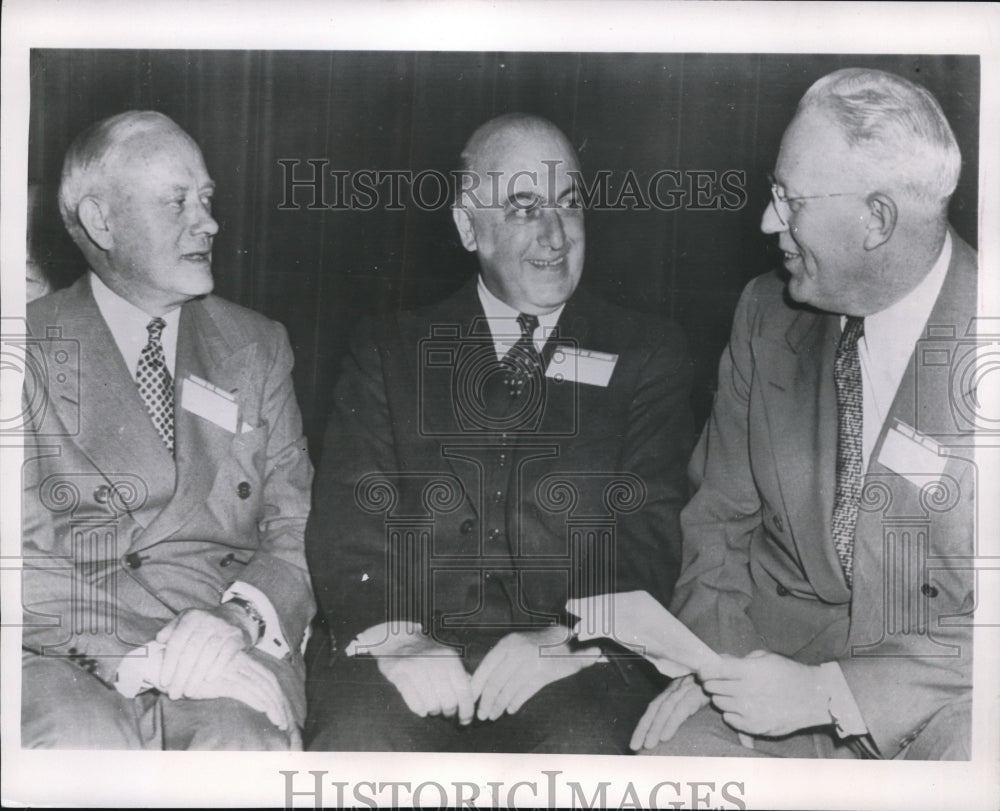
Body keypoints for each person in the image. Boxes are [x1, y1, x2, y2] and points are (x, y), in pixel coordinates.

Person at [304, 113, 694, 753]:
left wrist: (568, 638)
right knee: (358, 742)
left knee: (586, 754)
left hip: (573, 662)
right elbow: (350, 523)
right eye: (523, 207)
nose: (555, 234)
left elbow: (649, 533)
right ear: (467, 226)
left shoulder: (647, 353)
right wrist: (398, 637)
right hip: (409, 651)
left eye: (569, 204)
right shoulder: (389, 349)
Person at [634, 68, 976, 760]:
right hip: (768, 659)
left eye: (790, 201)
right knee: (670, 764)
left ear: (877, 219)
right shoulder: (767, 313)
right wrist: (719, 667)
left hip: (944, 695)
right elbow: (718, 525)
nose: (768, 222)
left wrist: (828, 693)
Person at [21, 111, 315, 750]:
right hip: (64, 645)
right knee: (75, 743)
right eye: (177, 202)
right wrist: (151, 655)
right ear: (102, 221)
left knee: (241, 743)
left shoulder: (257, 345)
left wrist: (236, 619)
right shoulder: (23, 349)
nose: (208, 223)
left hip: (225, 637)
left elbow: (295, 526)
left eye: (206, 199)